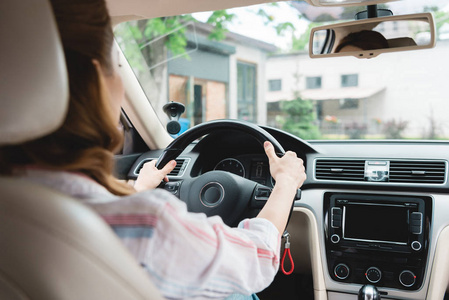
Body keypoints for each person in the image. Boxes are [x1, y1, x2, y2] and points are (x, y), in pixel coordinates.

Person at [0, 0, 306, 298]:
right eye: (118, 66)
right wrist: (286, 183)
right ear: (96, 82)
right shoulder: (148, 225)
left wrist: (138, 188)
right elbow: (257, 260)